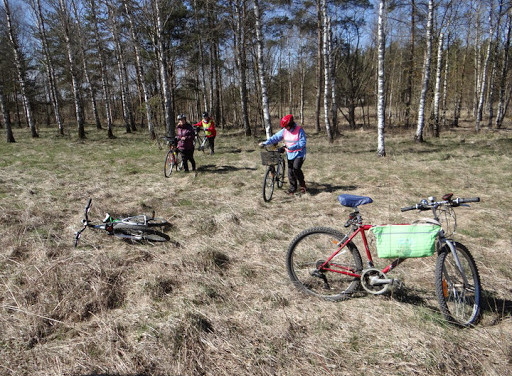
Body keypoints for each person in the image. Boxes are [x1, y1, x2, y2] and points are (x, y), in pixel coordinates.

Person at [259, 114, 307, 195]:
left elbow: (302, 143)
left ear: (291, 124)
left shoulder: (299, 130)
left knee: (296, 169)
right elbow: (275, 137)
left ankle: (302, 185)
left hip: (299, 153)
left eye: (287, 126)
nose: (285, 128)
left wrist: (288, 147)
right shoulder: (285, 131)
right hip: (290, 154)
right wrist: (265, 143)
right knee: (290, 172)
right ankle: (293, 189)